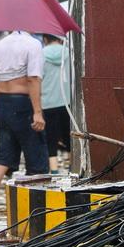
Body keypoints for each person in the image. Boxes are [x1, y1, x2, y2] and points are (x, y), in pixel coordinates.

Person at [0, 29, 48, 222]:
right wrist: (37, 112)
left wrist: (2, 107)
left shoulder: (2, 43)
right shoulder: (33, 44)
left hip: (3, 102)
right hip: (23, 103)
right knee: (37, 161)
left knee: (2, 158)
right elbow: (33, 79)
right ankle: (34, 213)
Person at [41, 34, 71, 171]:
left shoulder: (41, 54)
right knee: (68, 135)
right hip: (66, 101)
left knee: (50, 137)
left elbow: (37, 78)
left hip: (47, 102)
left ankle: (54, 170)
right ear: (59, 39)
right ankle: (72, 167)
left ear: (45, 39)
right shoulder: (68, 52)